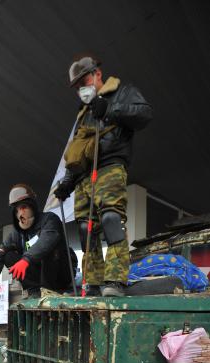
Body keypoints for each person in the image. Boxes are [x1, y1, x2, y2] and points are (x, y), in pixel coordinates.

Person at [54, 56, 152, 297]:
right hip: (82, 179)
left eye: (84, 81)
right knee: (87, 230)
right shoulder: (83, 113)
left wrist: (110, 109)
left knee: (111, 220)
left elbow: (144, 114)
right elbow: (77, 150)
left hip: (109, 167)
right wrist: (67, 183)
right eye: (76, 87)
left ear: (97, 74)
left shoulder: (121, 92)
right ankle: (95, 283)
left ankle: (116, 280)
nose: (81, 89)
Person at [0, 184, 78, 297]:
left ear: (32, 206)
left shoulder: (50, 219)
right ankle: (34, 290)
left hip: (61, 273)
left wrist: (26, 260)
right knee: (8, 255)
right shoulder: (17, 233)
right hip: (38, 274)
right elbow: (0, 251)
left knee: (49, 247)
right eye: (18, 209)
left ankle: (49, 291)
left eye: (24, 207)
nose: (21, 212)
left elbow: (46, 241)